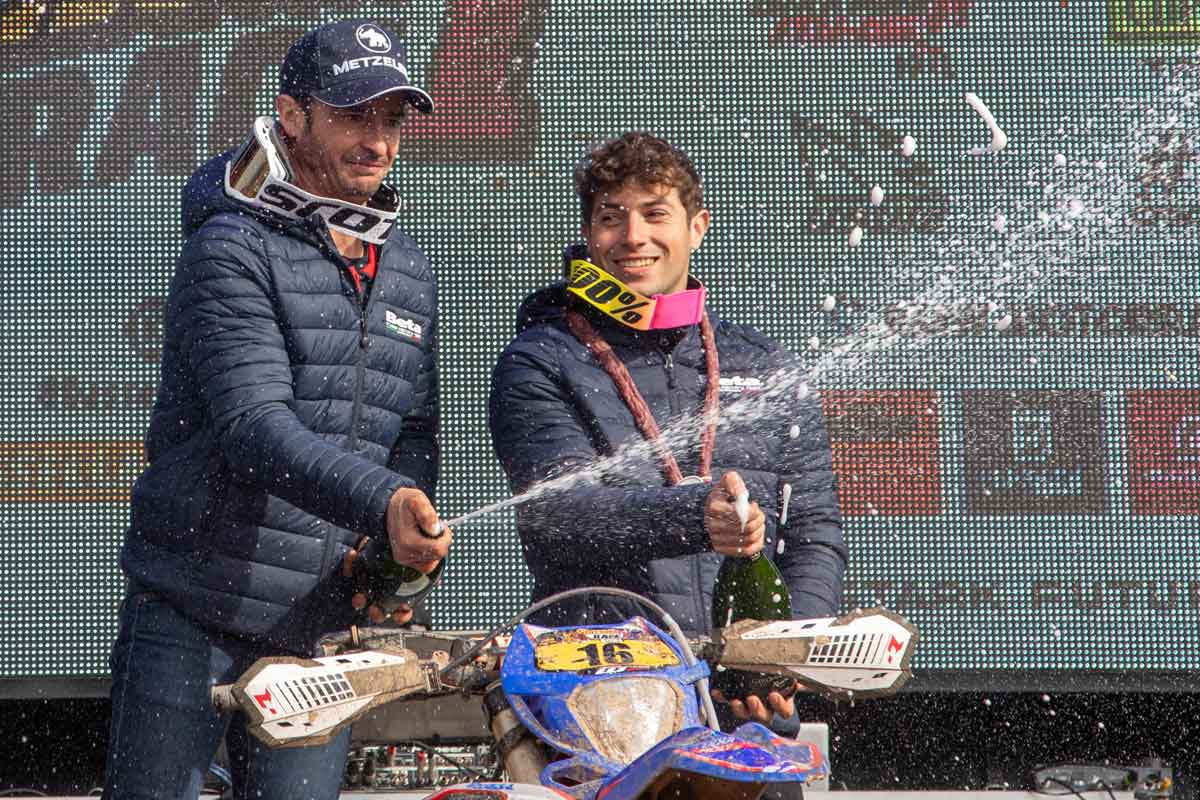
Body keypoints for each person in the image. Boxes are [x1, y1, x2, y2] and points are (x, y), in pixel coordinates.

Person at [103, 20, 450, 800]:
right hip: (194, 612)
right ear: (291, 117)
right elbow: (254, 428)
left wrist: (395, 554)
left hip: (317, 629)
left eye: (391, 119)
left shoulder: (407, 267)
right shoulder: (230, 247)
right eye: (353, 116)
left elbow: (413, 432)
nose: (377, 140)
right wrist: (384, 501)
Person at [489, 131, 846, 728]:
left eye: (656, 214)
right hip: (599, 700)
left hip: (748, 704)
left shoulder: (764, 366)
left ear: (696, 227)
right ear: (589, 233)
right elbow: (556, 516)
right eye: (612, 218)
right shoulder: (542, 360)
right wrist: (695, 516)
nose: (634, 237)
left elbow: (813, 533)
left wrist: (782, 655)